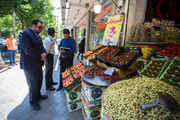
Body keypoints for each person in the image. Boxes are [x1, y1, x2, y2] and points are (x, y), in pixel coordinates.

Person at [19, 19, 48, 110]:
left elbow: (42, 48)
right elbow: (28, 50)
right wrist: (40, 56)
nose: (40, 29)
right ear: (33, 25)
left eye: (41, 28)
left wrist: (44, 53)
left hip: (38, 63)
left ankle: (38, 95)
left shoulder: (38, 36)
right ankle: (33, 101)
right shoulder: (24, 34)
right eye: (39, 27)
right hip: (30, 65)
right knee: (33, 83)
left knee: (39, 81)